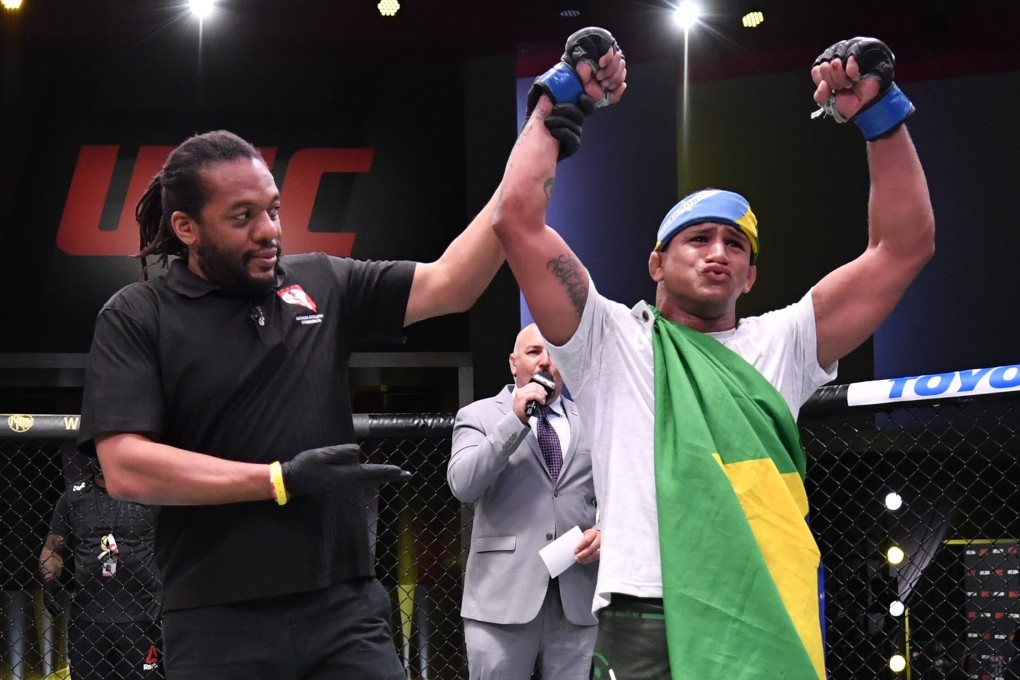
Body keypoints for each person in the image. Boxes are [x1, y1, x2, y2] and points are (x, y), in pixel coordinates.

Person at [76, 35, 626, 680]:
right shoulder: (138, 315)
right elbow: (126, 467)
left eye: (274, 209)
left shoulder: (319, 281)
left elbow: (455, 280)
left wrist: (543, 124)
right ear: (187, 229)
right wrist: (276, 480)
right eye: (242, 216)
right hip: (215, 615)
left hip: (345, 605)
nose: (269, 230)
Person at [492, 35, 934, 679]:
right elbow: (517, 223)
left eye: (735, 244)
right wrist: (557, 99)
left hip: (758, 613)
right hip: (644, 615)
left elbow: (903, 248)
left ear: (751, 276)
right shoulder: (610, 341)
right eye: (697, 238)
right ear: (656, 264)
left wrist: (881, 113)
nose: (718, 252)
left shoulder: (781, 342)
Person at [448, 323, 600, 680]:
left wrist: (605, 529)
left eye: (556, 353)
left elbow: (616, 490)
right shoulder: (480, 416)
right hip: (502, 598)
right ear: (514, 364)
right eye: (534, 352)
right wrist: (516, 419)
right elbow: (463, 484)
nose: (546, 361)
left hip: (576, 596)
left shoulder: (591, 419)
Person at [39, 459, 163, 680]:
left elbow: (176, 545)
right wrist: (49, 579)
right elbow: (52, 549)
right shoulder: (74, 497)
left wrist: (167, 592)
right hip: (88, 618)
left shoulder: (150, 494)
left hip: (142, 616)